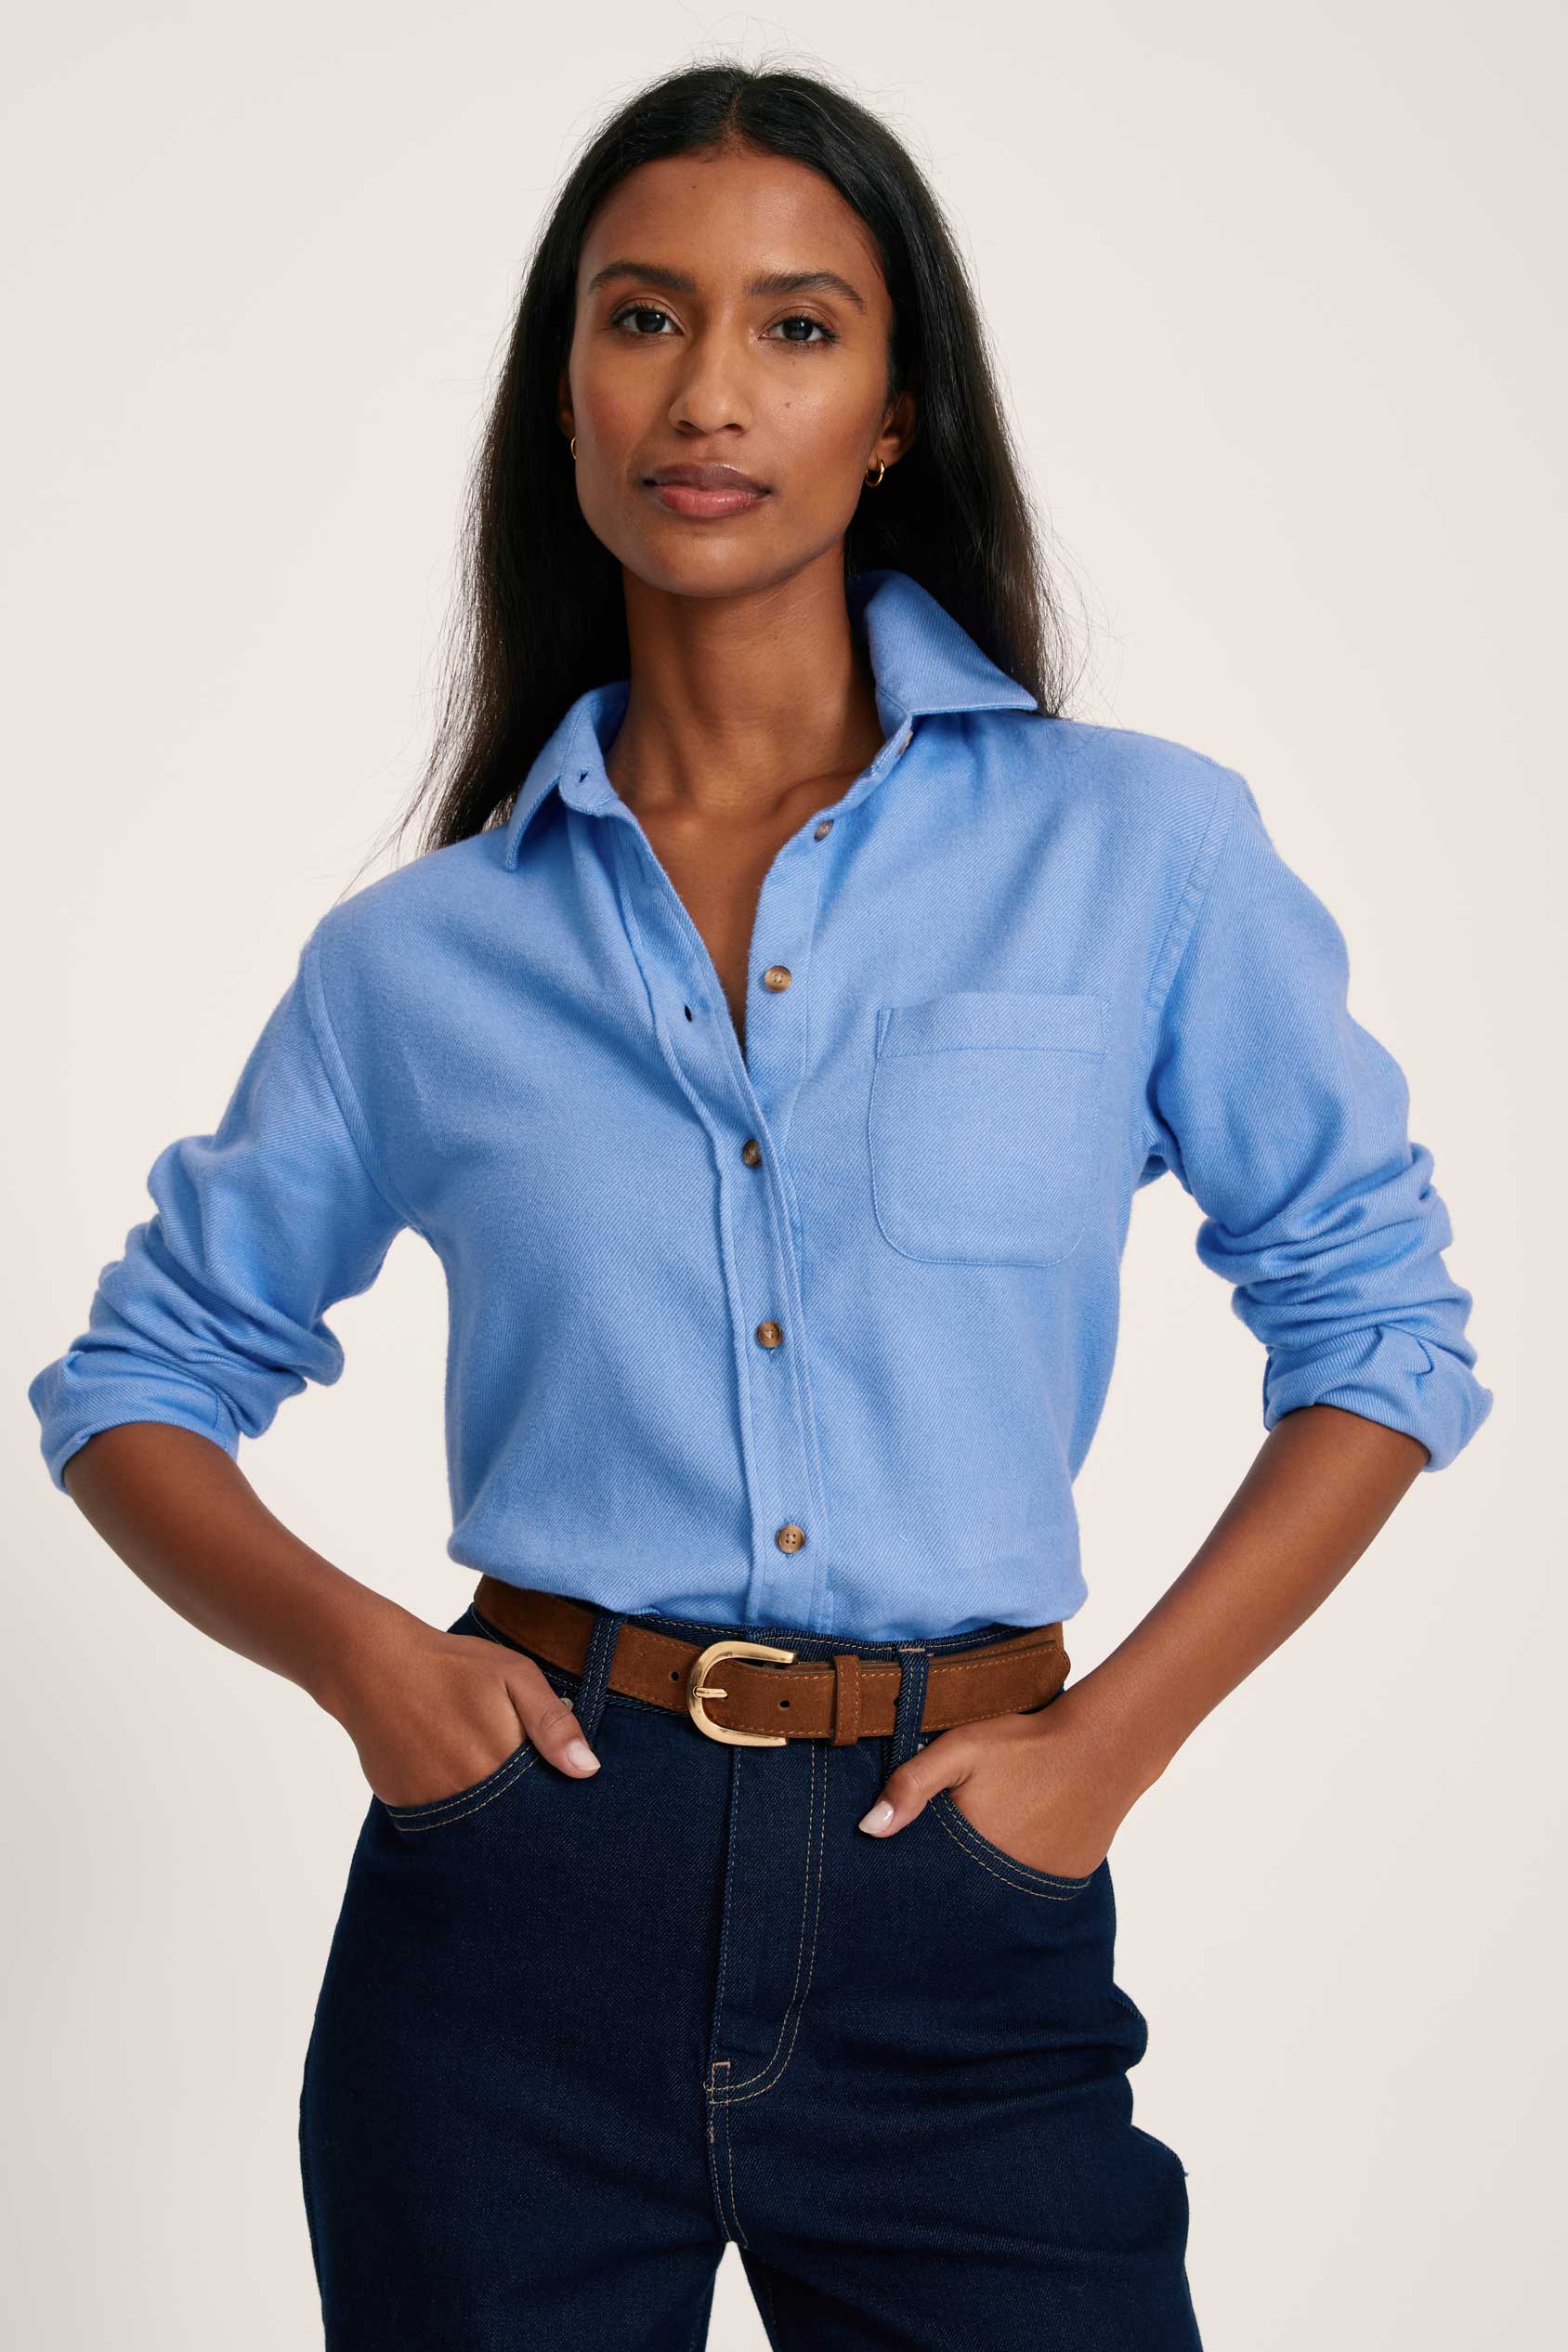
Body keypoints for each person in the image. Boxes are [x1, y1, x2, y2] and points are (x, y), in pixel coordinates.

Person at [27, 57, 1493, 2352]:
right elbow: (132, 1386)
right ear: (563, 393)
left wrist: (1111, 1750)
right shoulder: (418, 962)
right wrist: (373, 1671)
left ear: (898, 411)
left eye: (797, 326)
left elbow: (1382, 1331)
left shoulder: (1143, 852)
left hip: (963, 1898)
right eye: (639, 319)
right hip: (513, 1912)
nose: (709, 391)